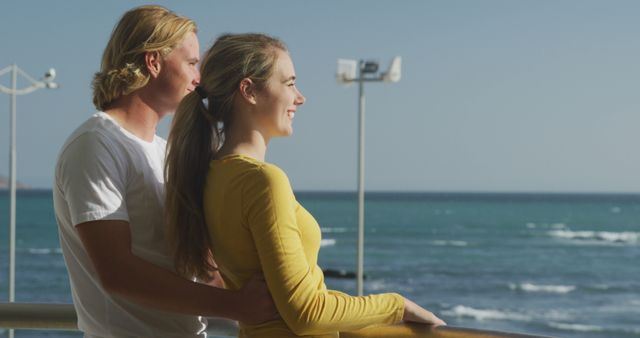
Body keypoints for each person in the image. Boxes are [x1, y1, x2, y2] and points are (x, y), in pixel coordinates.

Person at [164, 33, 445, 338]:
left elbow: (296, 299)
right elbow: (306, 313)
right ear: (249, 91)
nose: (300, 97)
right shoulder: (262, 181)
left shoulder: (213, 175)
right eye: (289, 83)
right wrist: (397, 305)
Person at [54, 6, 276, 338]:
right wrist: (234, 306)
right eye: (190, 63)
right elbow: (116, 271)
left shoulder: (164, 151)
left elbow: (198, 265)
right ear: (153, 62)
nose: (198, 77)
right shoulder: (96, 144)